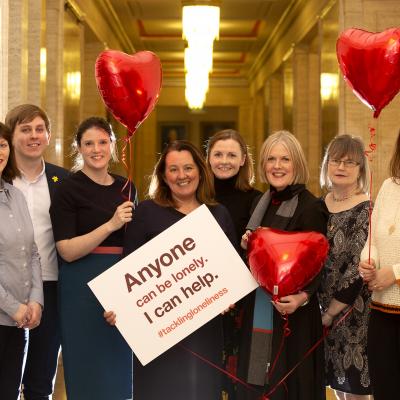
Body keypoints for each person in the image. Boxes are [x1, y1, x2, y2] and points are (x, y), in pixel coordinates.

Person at [120, 140, 237, 400]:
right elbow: (127, 271)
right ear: (163, 175)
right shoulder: (147, 212)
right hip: (157, 333)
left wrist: (228, 296)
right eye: (173, 169)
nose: (182, 176)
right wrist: (119, 306)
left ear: (200, 171)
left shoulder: (219, 214)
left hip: (204, 331)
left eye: (188, 168)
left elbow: (231, 270)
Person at [49, 117, 136, 400]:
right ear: (79, 148)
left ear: (112, 145)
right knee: (86, 367)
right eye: (89, 143)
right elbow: (66, 251)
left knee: (120, 367)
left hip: (123, 285)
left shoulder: (127, 188)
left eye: (102, 142)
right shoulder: (66, 189)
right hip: (81, 287)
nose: (96, 149)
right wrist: (110, 225)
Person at [238, 130, 328, 400]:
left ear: (297, 164)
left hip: (295, 315)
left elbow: (322, 262)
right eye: (271, 159)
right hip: (261, 307)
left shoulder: (311, 207)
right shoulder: (259, 203)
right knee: (259, 383)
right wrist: (249, 247)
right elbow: (261, 257)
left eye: (285, 159)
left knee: (289, 385)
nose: (277, 166)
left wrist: (303, 296)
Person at [5, 103, 68, 400]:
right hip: (6, 288)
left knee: (41, 378)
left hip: (50, 288)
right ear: (11, 135)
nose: (34, 136)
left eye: (39, 129)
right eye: (25, 129)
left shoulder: (64, 182)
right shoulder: (5, 183)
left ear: (48, 135)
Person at [206, 129, 261, 399]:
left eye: (231, 154)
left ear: (242, 160)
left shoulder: (258, 200)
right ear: (208, 158)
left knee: (240, 377)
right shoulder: (194, 196)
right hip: (200, 296)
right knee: (206, 374)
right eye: (218, 154)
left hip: (242, 300)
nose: (224, 160)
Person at [318, 135, 372, 400]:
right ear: (327, 164)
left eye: (350, 163)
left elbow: (356, 267)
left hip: (353, 311)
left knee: (356, 387)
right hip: (319, 305)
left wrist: (330, 313)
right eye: (336, 160)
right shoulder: (320, 204)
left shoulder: (366, 209)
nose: (341, 167)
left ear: (361, 169)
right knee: (336, 385)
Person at [0, 122, 43, 399]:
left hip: (18, 324)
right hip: (11, 314)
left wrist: (36, 301)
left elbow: (33, 253)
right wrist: (14, 308)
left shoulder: (14, 195)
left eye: (2, 145)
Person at [358, 130, 400, 400]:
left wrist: (395, 273)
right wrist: (369, 262)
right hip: (382, 312)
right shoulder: (389, 186)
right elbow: (372, 237)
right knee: (385, 390)